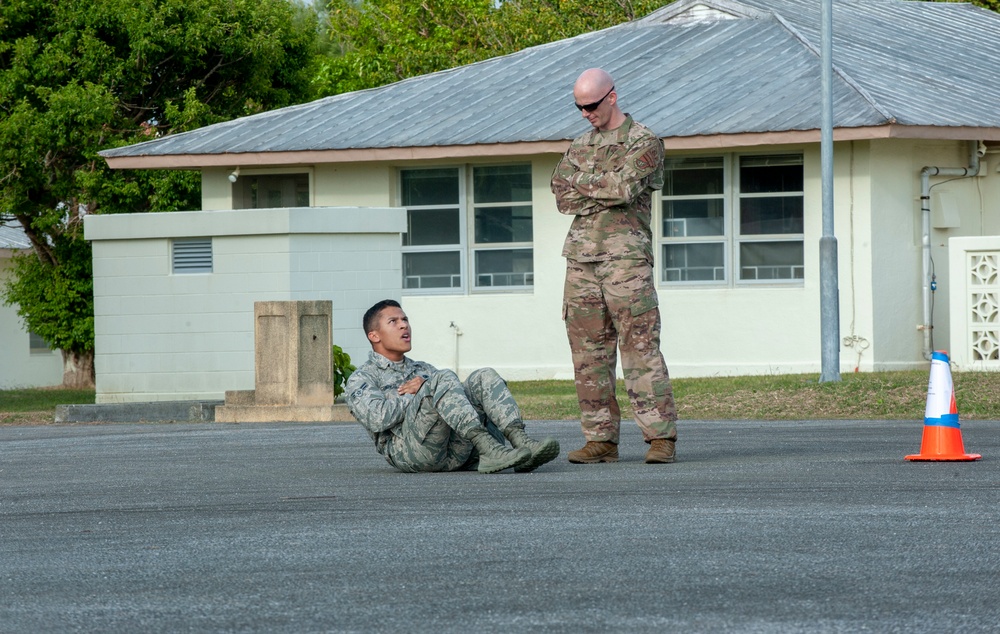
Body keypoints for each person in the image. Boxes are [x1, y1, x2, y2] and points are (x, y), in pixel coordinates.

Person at [550, 68, 678, 465]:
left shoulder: (644, 141)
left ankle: (660, 438)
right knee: (588, 355)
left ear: (612, 97)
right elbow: (561, 196)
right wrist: (603, 186)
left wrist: (586, 182)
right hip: (581, 261)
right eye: (578, 107)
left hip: (626, 261)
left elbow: (624, 189)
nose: (585, 113)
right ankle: (600, 439)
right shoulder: (579, 144)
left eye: (590, 105)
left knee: (640, 348)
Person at [344, 299, 560, 474]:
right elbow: (377, 418)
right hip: (413, 454)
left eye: (405, 319)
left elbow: (455, 399)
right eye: (393, 321)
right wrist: (418, 394)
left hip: (455, 451)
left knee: (483, 376)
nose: (404, 325)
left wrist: (429, 387)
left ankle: (521, 444)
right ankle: (488, 448)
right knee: (444, 378)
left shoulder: (423, 369)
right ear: (374, 335)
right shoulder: (362, 378)